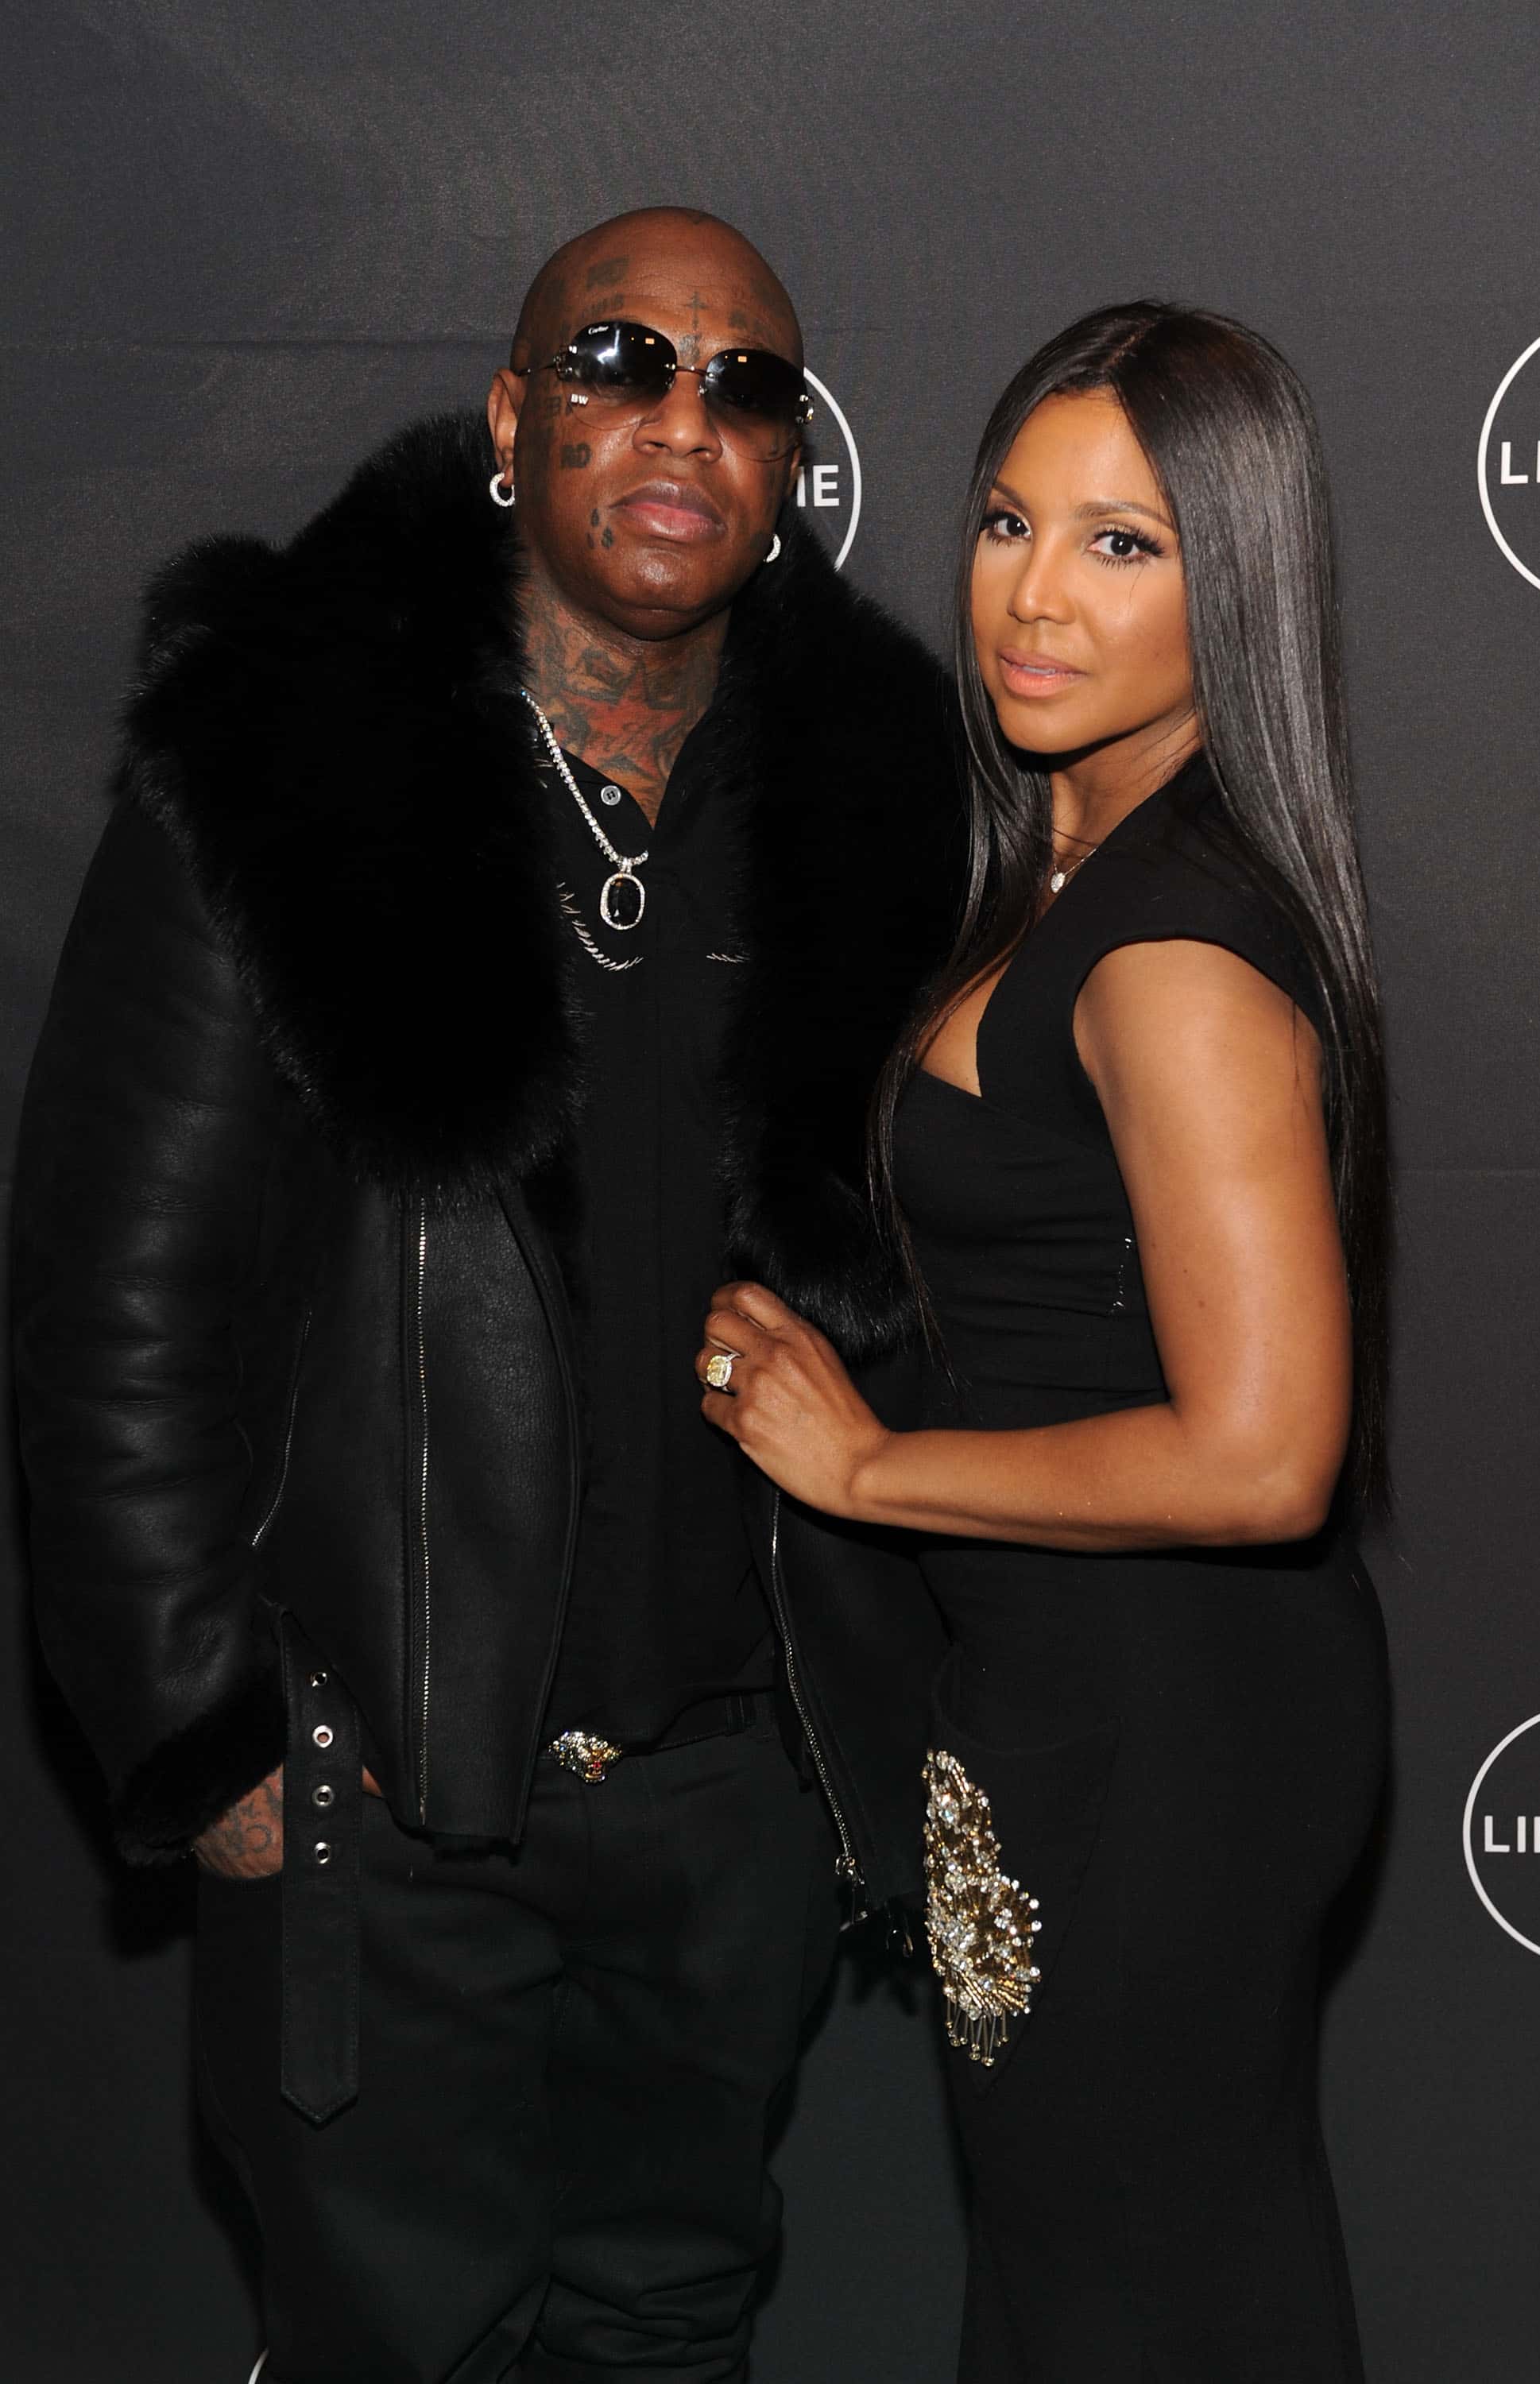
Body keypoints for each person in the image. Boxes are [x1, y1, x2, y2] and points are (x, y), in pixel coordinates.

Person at [13, 208, 958, 2383]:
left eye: (746, 389)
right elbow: (114, 1309)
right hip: (382, 1802)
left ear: (788, 466)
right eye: (623, 363)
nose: (684, 422)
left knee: (671, 2327)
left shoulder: (875, 805)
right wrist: (208, 1739)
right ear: (515, 420)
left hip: (726, 1798)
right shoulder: (284, 769)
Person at [697, 301, 1391, 2382]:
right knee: (1118, 2289)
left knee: (1127, 2300)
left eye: (1123, 544)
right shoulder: (1072, 861)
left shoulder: (1174, 954)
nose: (1034, 594)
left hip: (1163, 1732)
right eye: (1010, 522)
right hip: (1081, 1695)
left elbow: (1264, 1453)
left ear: (1233, 582)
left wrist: (864, 1466)